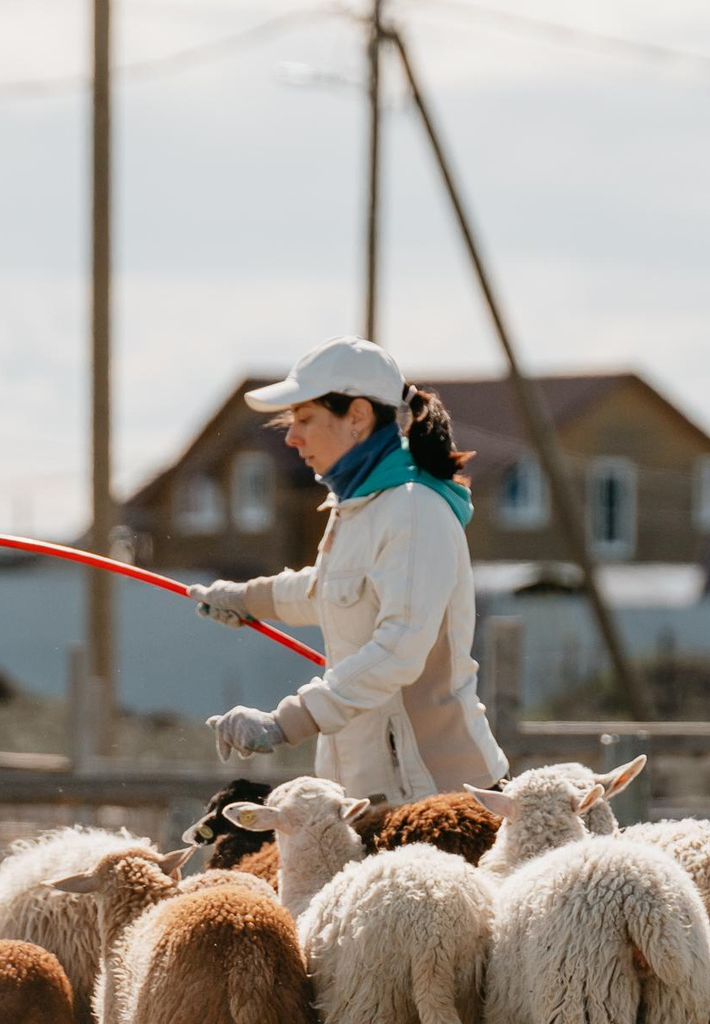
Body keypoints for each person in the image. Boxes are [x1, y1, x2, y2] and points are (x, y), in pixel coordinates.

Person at [188, 336, 508, 804]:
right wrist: (245, 599)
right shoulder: (359, 507)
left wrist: (284, 723)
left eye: (305, 419)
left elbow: (398, 648)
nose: (292, 437)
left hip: (436, 796)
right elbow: (326, 592)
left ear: (357, 416)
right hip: (366, 795)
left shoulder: (414, 510)